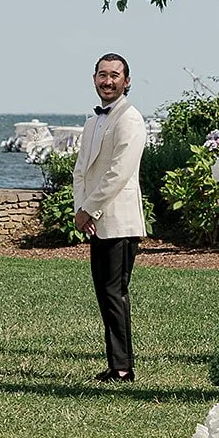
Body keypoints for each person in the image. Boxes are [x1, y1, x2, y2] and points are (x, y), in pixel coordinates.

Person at [72, 53, 147, 382]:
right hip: (95, 221)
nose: (108, 81)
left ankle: (123, 368)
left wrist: (90, 209)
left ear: (126, 81)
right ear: (94, 79)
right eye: (102, 75)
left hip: (119, 221)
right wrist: (81, 210)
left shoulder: (130, 119)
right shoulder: (92, 122)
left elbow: (119, 173)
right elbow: (81, 171)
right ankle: (116, 364)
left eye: (115, 75)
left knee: (115, 294)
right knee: (105, 294)